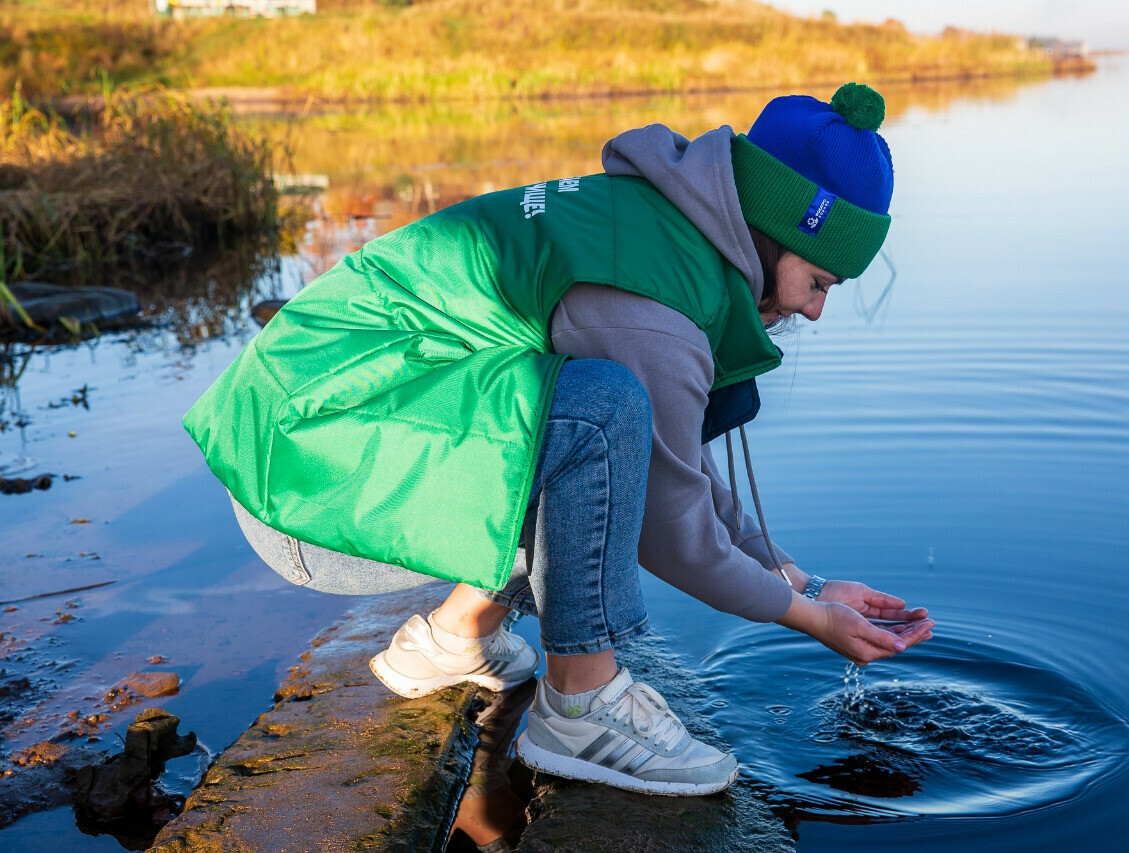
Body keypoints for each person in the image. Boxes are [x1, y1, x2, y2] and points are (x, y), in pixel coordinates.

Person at [183, 81, 934, 799]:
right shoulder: (652, 303)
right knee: (600, 411)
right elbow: (672, 532)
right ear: (779, 229)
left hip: (312, 447)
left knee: (593, 426)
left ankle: (454, 636)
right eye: (820, 283)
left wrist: (802, 580)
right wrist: (807, 617)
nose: (814, 313)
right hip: (303, 481)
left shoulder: (665, 233)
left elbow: (672, 466)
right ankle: (579, 708)